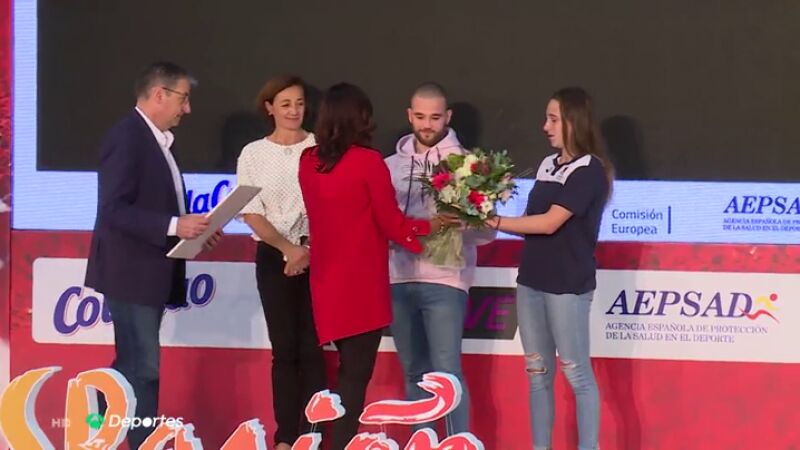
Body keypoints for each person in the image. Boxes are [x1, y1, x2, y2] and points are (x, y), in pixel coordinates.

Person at [298, 82, 454, 450]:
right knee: (354, 376)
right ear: (361, 118)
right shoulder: (367, 162)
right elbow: (391, 224)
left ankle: (321, 441)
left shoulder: (308, 161)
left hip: (325, 281)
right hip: (361, 284)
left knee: (338, 375)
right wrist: (432, 225)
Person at [84, 61, 222, 449]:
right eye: (184, 99)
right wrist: (175, 225)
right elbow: (113, 210)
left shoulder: (158, 141)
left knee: (132, 364)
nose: (188, 109)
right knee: (143, 367)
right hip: (130, 273)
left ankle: (97, 419)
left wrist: (195, 229)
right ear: (160, 94)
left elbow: (158, 204)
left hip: (149, 272)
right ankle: (139, 440)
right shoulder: (127, 138)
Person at [486, 87, 613, 450]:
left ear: (574, 122)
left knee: (577, 374)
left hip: (567, 286)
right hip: (531, 282)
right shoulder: (547, 165)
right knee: (537, 374)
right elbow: (531, 219)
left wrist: (494, 222)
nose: (546, 127)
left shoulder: (589, 171)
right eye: (547, 118)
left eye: (553, 119)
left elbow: (549, 223)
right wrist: (484, 209)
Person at [384, 82, 495, 435]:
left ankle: (455, 442)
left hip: (446, 280)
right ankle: (423, 441)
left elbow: (487, 232)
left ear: (448, 117)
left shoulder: (469, 166)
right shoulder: (388, 167)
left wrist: (462, 223)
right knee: (414, 374)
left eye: (434, 117)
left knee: (447, 375)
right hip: (398, 279)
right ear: (409, 116)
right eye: (420, 117)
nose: (427, 125)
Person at [236, 75, 326, 450]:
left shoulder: (320, 148)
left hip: (318, 255)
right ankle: (286, 437)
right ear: (269, 107)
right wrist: (288, 249)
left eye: (299, 103)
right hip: (273, 258)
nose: (293, 111)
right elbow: (251, 211)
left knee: (314, 348)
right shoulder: (253, 154)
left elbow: (330, 205)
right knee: (284, 349)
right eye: (286, 104)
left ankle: (315, 434)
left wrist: (307, 250)